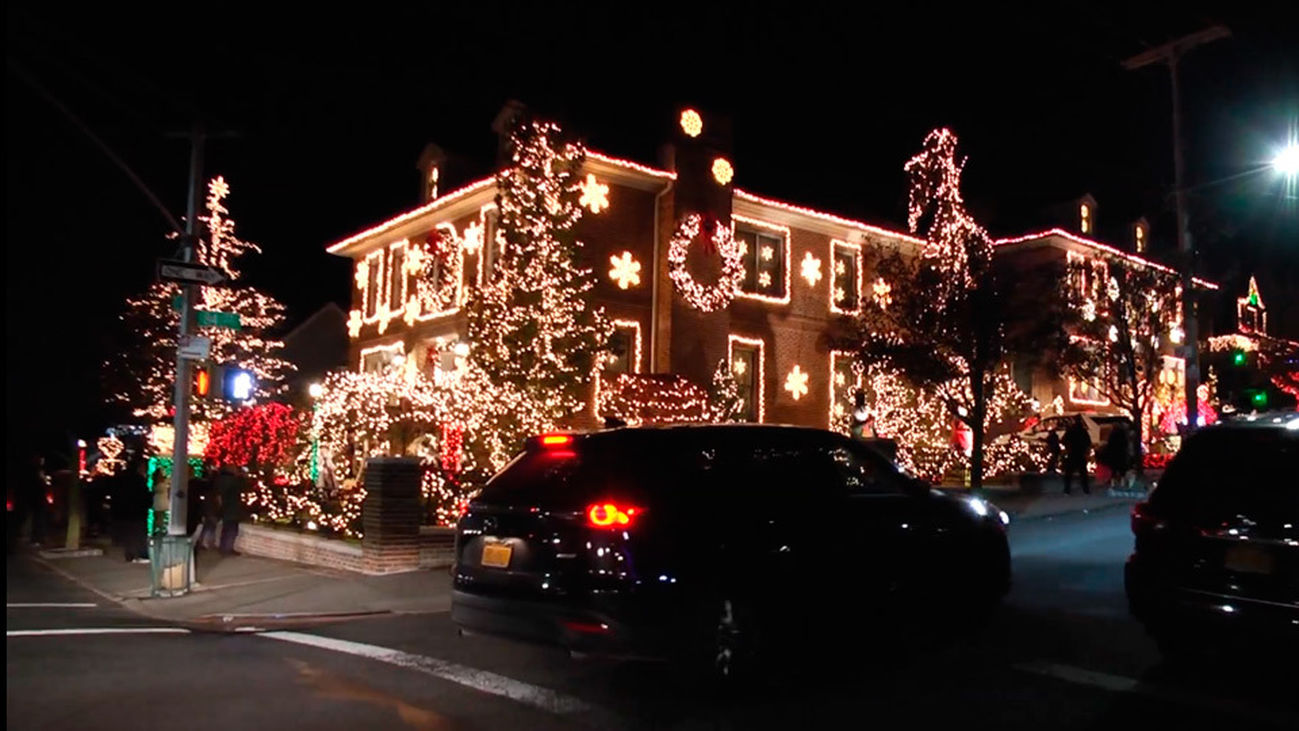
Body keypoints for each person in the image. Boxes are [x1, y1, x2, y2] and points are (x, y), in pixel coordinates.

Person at [112, 459, 151, 563]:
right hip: (137, 512)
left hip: (124, 512)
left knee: (128, 534)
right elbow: (145, 496)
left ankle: (130, 555)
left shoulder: (121, 479)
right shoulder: (139, 480)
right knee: (139, 533)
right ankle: (142, 555)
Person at [215, 464, 247, 555]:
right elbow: (242, 488)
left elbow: (219, 495)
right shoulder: (233, 481)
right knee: (231, 529)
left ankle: (224, 548)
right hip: (232, 508)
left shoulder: (219, 479)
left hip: (226, 508)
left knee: (226, 529)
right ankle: (227, 548)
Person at [1062, 416, 1092, 495]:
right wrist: (1086, 451)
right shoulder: (1083, 431)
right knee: (1083, 473)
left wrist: (1067, 447)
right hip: (1081, 453)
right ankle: (1086, 489)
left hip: (1072, 453)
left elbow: (1063, 440)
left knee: (1069, 473)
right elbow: (1088, 442)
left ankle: (1067, 490)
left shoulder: (1070, 430)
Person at [1101, 422, 1132, 489]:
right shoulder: (1123, 434)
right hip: (1121, 454)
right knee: (1122, 470)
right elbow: (1126, 444)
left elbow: (1109, 445)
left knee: (1113, 470)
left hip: (1114, 454)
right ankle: (1122, 483)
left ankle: (1113, 484)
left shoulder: (1112, 434)